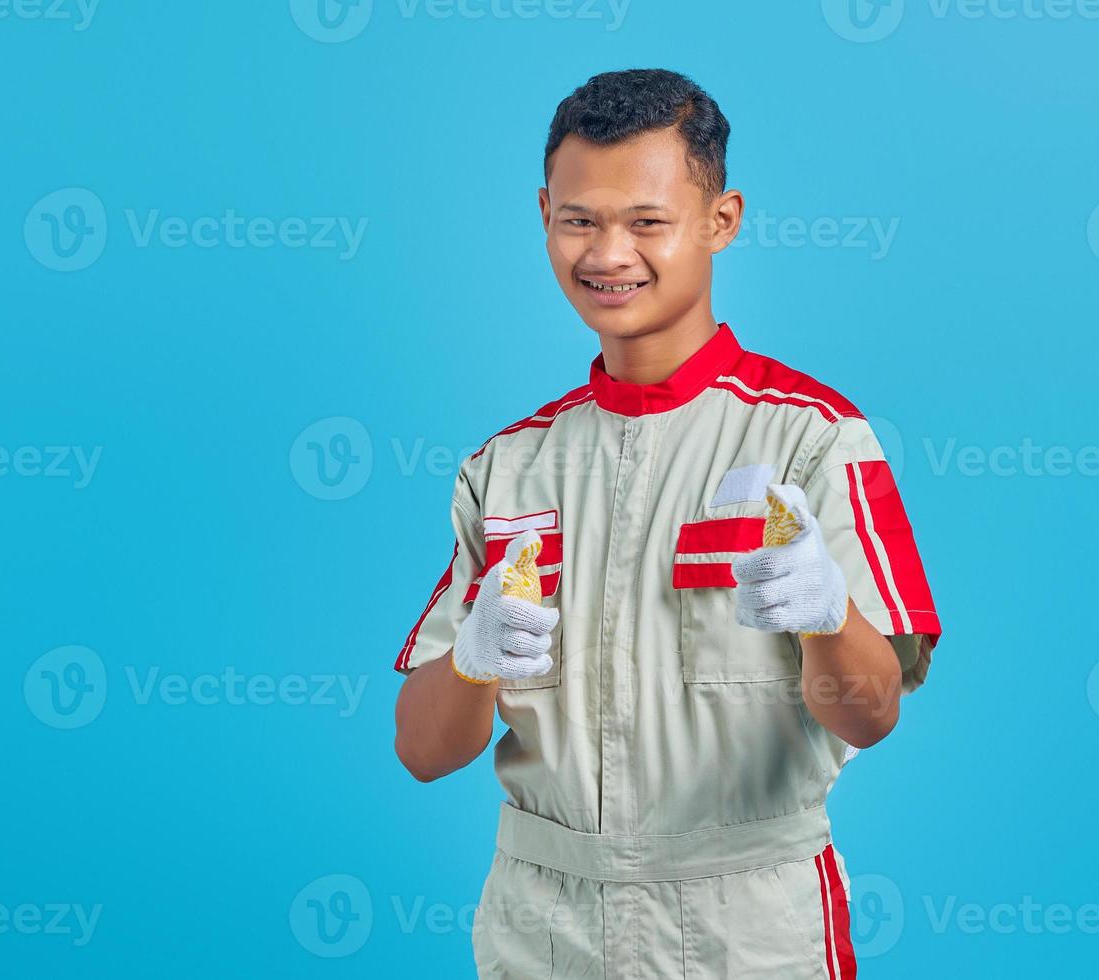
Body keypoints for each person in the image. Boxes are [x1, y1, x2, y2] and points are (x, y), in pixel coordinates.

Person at [392, 68, 941, 979]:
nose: (609, 254)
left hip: (748, 927)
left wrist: (827, 615)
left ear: (720, 220)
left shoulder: (810, 438)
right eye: (580, 220)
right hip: (544, 928)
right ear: (543, 215)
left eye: (647, 221)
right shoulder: (509, 466)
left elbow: (871, 715)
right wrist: (474, 657)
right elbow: (422, 749)